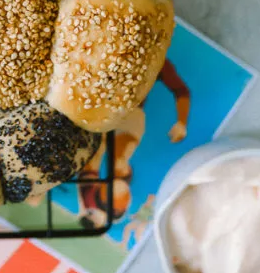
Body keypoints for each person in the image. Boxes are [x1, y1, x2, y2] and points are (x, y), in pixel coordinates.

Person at [76, 59, 191, 229]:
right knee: (98, 152)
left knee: (113, 156)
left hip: (129, 114)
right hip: (103, 104)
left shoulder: (159, 64)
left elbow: (181, 91)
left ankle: (115, 180)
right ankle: (109, 188)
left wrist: (181, 122)